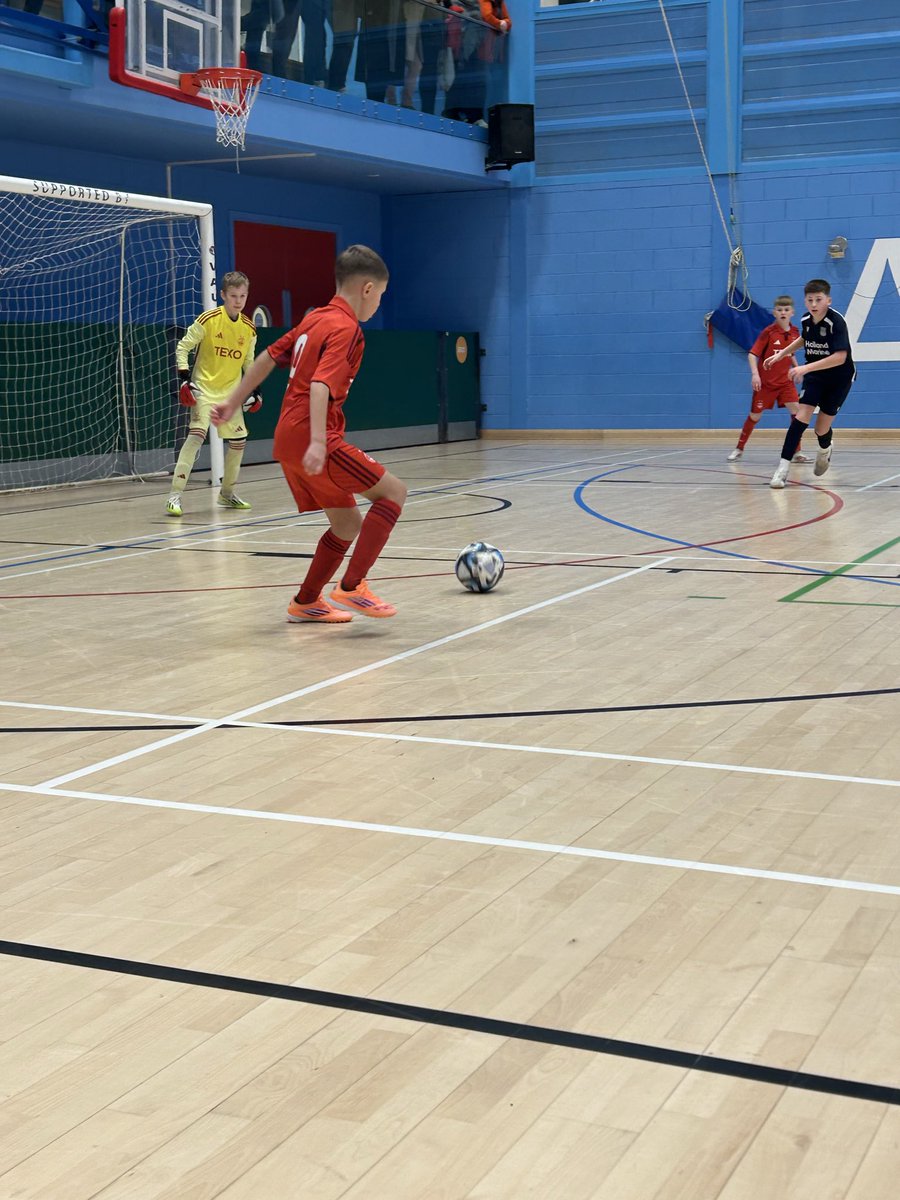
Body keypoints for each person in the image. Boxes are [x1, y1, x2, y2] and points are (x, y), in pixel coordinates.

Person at [211, 245, 408, 623]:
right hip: (312, 436)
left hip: (286, 437)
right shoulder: (346, 328)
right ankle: (352, 587)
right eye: (381, 296)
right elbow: (321, 385)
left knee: (347, 522)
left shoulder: (315, 318)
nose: (378, 304)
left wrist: (233, 402)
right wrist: (319, 441)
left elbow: (267, 357)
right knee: (394, 492)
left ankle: (306, 601)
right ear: (367, 289)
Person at [167, 271, 260, 517]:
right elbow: (183, 347)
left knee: (239, 443)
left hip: (231, 394)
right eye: (233, 296)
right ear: (222, 295)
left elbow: (249, 362)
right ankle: (174, 495)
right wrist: (185, 379)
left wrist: (255, 390)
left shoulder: (249, 328)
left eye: (242, 296)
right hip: (205, 390)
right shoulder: (208, 320)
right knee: (196, 436)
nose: (238, 301)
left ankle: (227, 494)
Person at [765, 279, 856, 489]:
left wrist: (804, 368)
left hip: (839, 378)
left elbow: (840, 357)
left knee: (821, 429)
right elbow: (804, 339)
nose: (814, 304)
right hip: (815, 375)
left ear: (828, 300)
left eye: (818, 299)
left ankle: (825, 449)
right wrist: (781, 355)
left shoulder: (836, 322)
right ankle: (782, 469)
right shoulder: (806, 319)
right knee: (801, 416)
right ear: (805, 302)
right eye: (810, 300)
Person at [726, 295, 811, 463]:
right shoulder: (768, 332)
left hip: (785, 383)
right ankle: (739, 448)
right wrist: (755, 374)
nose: (783, 313)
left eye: (786, 310)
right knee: (755, 416)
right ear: (774, 313)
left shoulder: (795, 332)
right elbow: (752, 354)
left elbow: (790, 352)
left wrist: (796, 368)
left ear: (792, 312)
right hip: (766, 384)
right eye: (779, 310)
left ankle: (797, 452)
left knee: (797, 413)